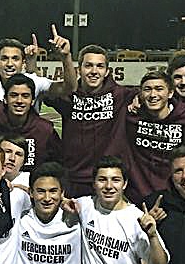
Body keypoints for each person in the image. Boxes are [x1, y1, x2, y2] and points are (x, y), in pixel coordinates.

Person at [45, 45, 139, 197]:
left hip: (107, 181)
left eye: (100, 66)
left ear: (107, 71)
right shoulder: (69, 97)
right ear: (79, 69)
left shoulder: (122, 95)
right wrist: (62, 57)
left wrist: (138, 100)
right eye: (88, 66)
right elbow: (38, 87)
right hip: (74, 179)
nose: (94, 71)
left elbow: (156, 96)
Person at [0, 24, 77, 108]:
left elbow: (69, 88)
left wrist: (66, 56)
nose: (10, 64)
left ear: (23, 63)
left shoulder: (33, 81)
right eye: (4, 58)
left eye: (15, 59)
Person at [124, 71, 185, 203]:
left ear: (170, 93)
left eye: (159, 89)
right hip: (137, 196)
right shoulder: (132, 117)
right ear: (141, 94)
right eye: (147, 89)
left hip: (175, 197)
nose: (153, 95)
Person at [0, 74, 62, 172]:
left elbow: (58, 165)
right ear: (5, 99)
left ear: (32, 100)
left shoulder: (45, 130)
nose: (19, 101)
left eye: (25, 96)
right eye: (14, 95)